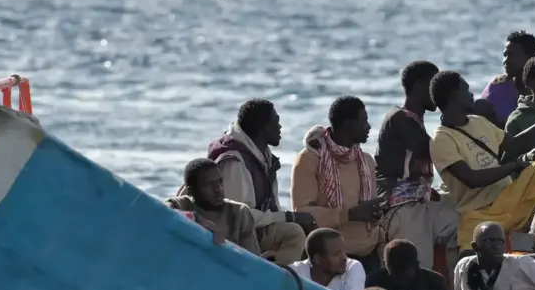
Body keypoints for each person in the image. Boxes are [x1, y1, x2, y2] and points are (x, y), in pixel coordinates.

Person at [428, 69, 535, 259]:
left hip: (510, 197)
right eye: (466, 89)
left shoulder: (478, 121)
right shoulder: (441, 139)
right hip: (478, 213)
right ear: (455, 95)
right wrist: (515, 165)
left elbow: (514, 144)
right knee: (470, 257)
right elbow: (471, 179)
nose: (472, 94)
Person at [375, 61, 460, 271]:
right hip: (402, 209)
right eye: (433, 85)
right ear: (419, 84)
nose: (437, 92)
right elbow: (432, 149)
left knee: (463, 226)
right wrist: (453, 110)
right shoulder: (400, 118)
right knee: (419, 271)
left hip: (421, 204)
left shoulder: (414, 119)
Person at [206, 99, 312, 264]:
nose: (281, 128)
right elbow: (239, 215)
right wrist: (289, 217)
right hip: (235, 233)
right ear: (266, 128)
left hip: (255, 227)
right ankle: (269, 279)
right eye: (277, 122)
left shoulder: (262, 155)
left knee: (311, 236)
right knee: (294, 233)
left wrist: (292, 218)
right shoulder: (235, 162)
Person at [292, 96, 388, 273]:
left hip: (370, 255)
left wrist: (376, 212)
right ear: (347, 124)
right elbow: (302, 214)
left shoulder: (366, 161)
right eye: (363, 121)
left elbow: (371, 211)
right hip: (329, 262)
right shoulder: (310, 159)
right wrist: (349, 215)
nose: (368, 127)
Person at [165, 158, 261, 255]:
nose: (219, 190)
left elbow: (253, 259)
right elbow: (158, 214)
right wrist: (195, 219)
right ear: (191, 191)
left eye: (220, 182)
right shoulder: (179, 205)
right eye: (210, 184)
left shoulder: (239, 212)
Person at [365, 239, 451, 290]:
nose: (399, 276)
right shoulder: (374, 282)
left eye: (403, 271)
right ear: (385, 264)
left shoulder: (435, 283)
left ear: (416, 265)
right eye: (395, 270)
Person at [289, 228, 366, 290]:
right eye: (336, 254)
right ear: (318, 259)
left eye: (343, 251)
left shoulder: (353, 267)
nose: (344, 257)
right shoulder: (294, 272)